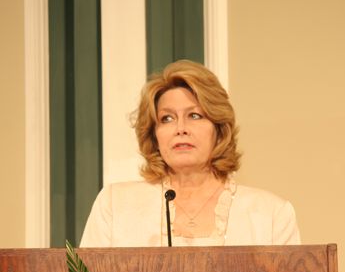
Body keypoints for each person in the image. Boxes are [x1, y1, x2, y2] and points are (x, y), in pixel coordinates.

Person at [80, 60, 300, 247]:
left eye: (194, 116)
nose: (181, 128)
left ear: (219, 128)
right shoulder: (115, 205)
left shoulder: (272, 214)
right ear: (154, 134)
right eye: (167, 118)